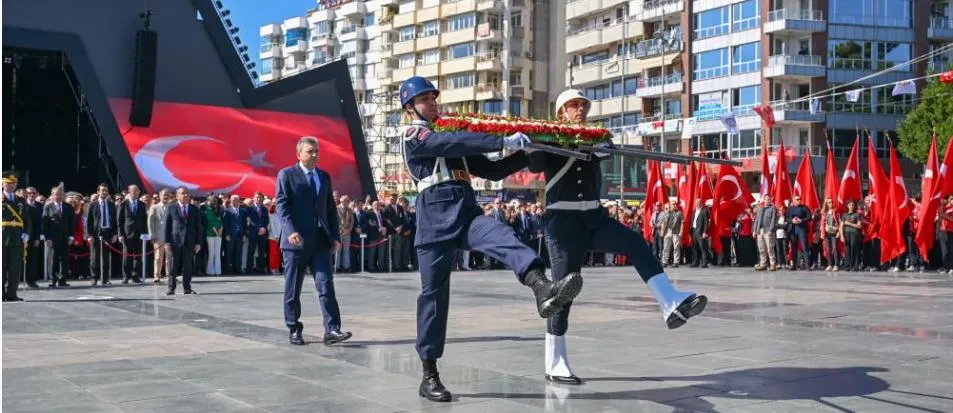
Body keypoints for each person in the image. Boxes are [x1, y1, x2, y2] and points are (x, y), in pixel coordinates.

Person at [400, 76, 582, 402]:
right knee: (433, 297)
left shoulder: (450, 133)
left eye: (433, 98)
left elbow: (491, 171)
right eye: (424, 99)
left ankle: (542, 286)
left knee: (502, 235)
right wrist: (499, 139)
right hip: (433, 218)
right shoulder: (414, 133)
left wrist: (527, 149)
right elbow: (442, 145)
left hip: (464, 209)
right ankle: (429, 374)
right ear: (410, 106)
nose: (432, 103)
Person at [526, 89, 706, 385]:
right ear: (561, 112)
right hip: (563, 221)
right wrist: (531, 140)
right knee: (563, 293)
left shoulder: (597, 136)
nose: (580, 109)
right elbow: (534, 164)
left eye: (584, 105)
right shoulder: (548, 136)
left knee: (635, 243)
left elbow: (607, 148)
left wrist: (595, 146)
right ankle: (555, 362)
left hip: (594, 217)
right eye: (574, 105)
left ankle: (670, 303)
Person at [275, 136, 352, 347]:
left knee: (326, 284)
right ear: (299, 154)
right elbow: (282, 206)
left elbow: (329, 210)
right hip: (296, 242)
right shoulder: (287, 175)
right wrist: (290, 231)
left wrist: (335, 236)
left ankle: (332, 329)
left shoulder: (324, 177)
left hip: (320, 241)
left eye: (317, 151)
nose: (315, 155)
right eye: (310, 151)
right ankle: (294, 328)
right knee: (293, 287)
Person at [164, 187, 202, 295]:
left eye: (187, 193)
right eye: (183, 193)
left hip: (189, 241)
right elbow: (166, 226)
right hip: (175, 241)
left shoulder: (194, 209)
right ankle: (171, 288)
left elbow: (199, 227)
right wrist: (166, 242)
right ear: (177, 196)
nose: (185, 195)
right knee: (172, 266)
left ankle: (187, 288)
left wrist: (198, 242)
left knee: (188, 266)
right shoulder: (171, 208)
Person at [2, 171, 32, 302]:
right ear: (2, 184)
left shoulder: (20, 200)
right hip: (2, 237)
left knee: (15, 268)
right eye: (9, 183)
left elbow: (27, 220)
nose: (12, 186)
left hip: (17, 238)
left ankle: (12, 294)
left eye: (14, 183)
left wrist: (27, 233)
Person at [85, 184, 117, 286]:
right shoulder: (92, 205)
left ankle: (105, 278)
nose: (104, 192)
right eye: (102, 190)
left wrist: (115, 234)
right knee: (95, 257)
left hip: (107, 233)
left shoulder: (111, 205)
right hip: (95, 233)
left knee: (106, 257)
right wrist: (89, 235)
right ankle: (94, 277)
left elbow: (115, 221)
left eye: (106, 191)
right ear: (98, 192)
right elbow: (88, 221)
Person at [44, 186, 75, 287]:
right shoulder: (48, 207)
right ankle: (53, 279)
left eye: (61, 194)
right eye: (56, 194)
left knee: (65, 259)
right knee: (52, 259)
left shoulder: (68, 207)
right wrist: (47, 238)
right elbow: (45, 224)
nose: (59, 196)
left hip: (65, 237)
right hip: (53, 238)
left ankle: (63, 280)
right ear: (52, 195)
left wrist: (71, 236)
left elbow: (72, 223)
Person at [117, 184, 147, 284]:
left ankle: (135, 275)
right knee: (127, 256)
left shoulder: (142, 204)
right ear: (129, 192)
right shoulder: (123, 204)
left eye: (138, 191)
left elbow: (144, 219)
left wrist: (145, 233)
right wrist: (120, 234)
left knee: (137, 256)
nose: (137, 192)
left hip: (139, 233)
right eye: (134, 191)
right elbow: (119, 221)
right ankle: (126, 275)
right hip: (127, 234)